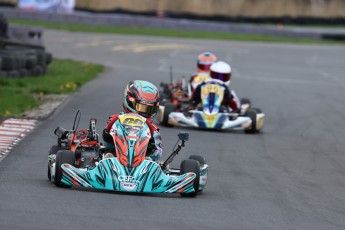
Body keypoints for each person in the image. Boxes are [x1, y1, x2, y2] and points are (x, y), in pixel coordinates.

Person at [102, 80, 162, 161]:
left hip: (142, 164)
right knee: (107, 152)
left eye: (149, 109)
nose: (145, 112)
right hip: (116, 159)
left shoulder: (153, 129)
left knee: (150, 159)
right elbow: (107, 143)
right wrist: (109, 135)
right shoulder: (115, 121)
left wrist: (151, 147)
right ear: (129, 101)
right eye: (141, 107)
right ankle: (109, 159)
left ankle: (147, 162)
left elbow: (158, 152)